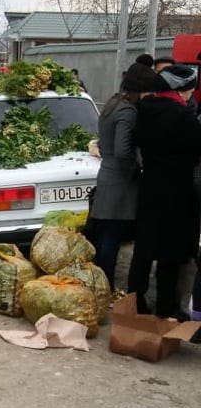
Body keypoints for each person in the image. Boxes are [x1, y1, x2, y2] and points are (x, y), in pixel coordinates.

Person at [127, 64, 201, 318]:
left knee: (145, 249)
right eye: (190, 89)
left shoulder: (144, 112)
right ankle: (165, 307)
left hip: (150, 188)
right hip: (177, 194)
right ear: (180, 89)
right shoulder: (182, 118)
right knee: (171, 253)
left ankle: (135, 303)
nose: (191, 94)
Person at [85, 61, 157, 292]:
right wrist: (135, 171)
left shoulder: (113, 102)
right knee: (112, 238)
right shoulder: (127, 110)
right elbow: (122, 149)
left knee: (105, 234)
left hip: (107, 175)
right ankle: (105, 287)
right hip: (120, 181)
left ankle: (100, 285)